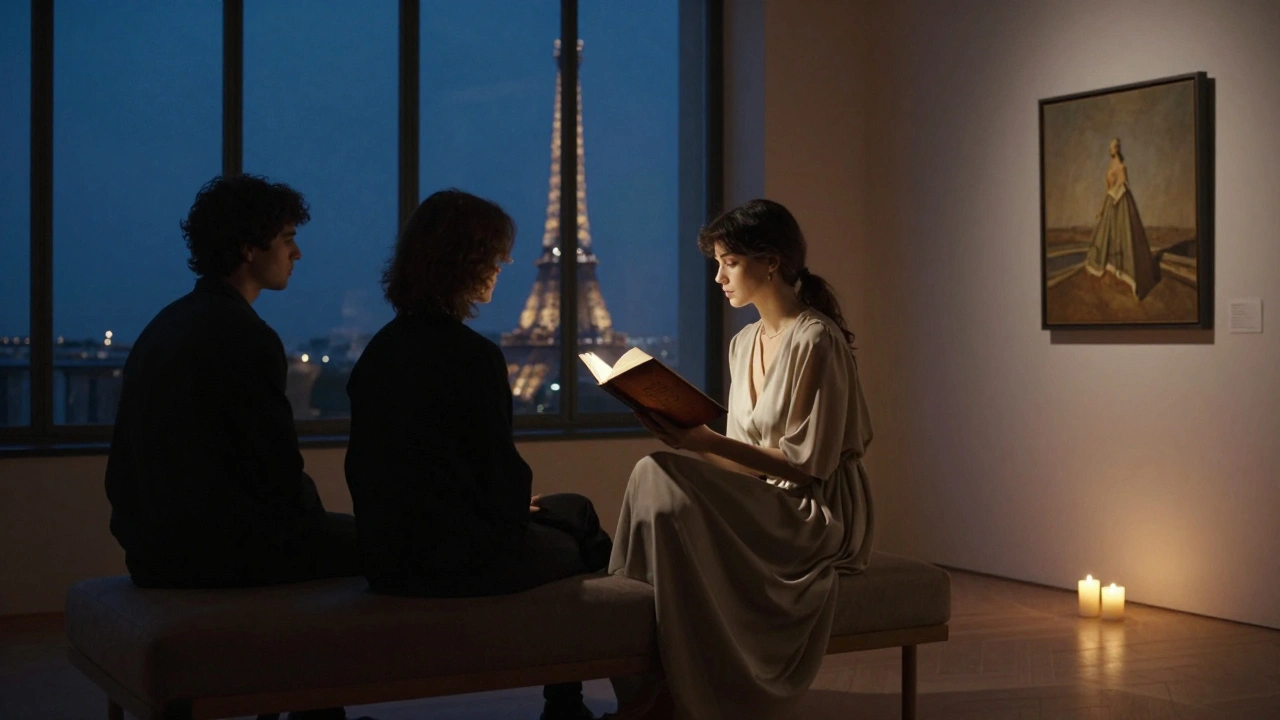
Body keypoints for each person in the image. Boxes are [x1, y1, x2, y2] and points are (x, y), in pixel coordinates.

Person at [105, 174, 366, 720]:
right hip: (224, 553)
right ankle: (315, 706)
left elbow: (125, 468)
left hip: (155, 551)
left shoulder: (163, 327)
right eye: (287, 238)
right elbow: (275, 477)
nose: (297, 252)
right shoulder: (246, 337)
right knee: (381, 543)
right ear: (250, 247)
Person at [344, 189, 611, 720]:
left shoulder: (380, 352)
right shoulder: (474, 357)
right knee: (578, 518)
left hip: (391, 555)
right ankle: (574, 697)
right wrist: (517, 506)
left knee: (565, 514)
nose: (501, 268)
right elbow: (496, 472)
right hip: (464, 561)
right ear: (466, 264)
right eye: (493, 257)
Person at [609, 199, 875, 720]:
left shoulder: (815, 340)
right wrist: (691, 445)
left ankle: (670, 689)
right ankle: (657, 676)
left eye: (728, 262)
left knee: (656, 472)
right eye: (718, 262)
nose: (718, 277)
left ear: (769, 261)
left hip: (815, 513)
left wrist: (697, 442)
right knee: (657, 479)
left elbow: (809, 467)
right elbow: (748, 462)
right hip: (765, 501)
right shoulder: (743, 342)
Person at [1083, 137, 1157, 300]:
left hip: (1121, 200)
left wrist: (1115, 196)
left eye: (1112, 147)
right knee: (1106, 236)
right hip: (1111, 201)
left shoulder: (1122, 166)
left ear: (1117, 149)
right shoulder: (1110, 166)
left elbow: (1123, 183)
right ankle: (1110, 266)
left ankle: (1128, 273)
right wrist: (1102, 209)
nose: (1110, 150)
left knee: (1125, 235)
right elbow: (1107, 189)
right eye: (1110, 148)